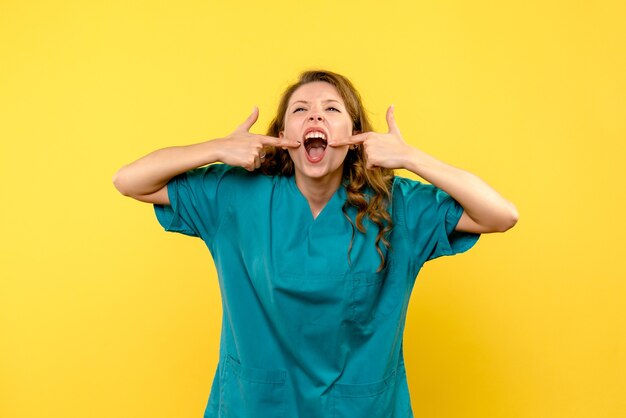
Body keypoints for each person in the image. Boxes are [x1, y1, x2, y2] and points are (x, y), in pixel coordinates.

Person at [113, 70, 518, 418]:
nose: (315, 116)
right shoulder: (235, 196)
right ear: (284, 135)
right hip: (258, 405)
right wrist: (216, 148)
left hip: (361, 408)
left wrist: (412, 158)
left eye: (331, 109)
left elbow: (501, 215)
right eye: (301, 110)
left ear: (355, 134)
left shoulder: (398, 206)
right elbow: (128, 181)